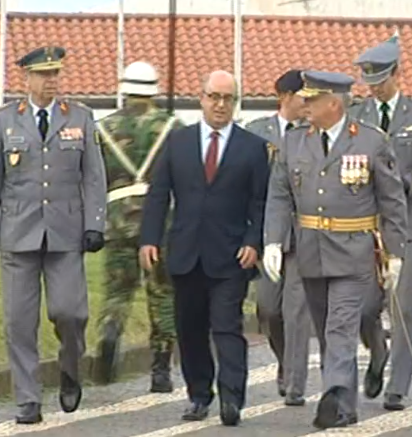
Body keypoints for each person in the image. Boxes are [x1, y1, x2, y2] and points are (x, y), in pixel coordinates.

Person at [263, 70, 409, 429]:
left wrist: (395, 252)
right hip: (309, 250)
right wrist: (272, 241)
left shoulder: (371, 142)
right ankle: (344, 400)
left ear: (334, 103)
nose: (304, 105)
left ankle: (334, 398)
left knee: (340, 328)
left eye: (311, 100)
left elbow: (392, 201)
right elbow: (280, 195)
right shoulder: (294, 142)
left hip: (354, 251)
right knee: (325, 324)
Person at [0, 46, 107, 424]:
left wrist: (96, 222)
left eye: (56, 74)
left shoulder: (80, 117)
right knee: (18, 321)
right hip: (18, 232)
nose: (51, 81)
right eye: (44, 75)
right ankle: (28, 399)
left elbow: (94, 176)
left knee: (70, 312)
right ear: (26, 78)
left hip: (65, 233)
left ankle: (70, 365)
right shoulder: (5, 121)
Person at [138, 70, 270, 427]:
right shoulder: (178, 142)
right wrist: (149, 238)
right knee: (190, 329)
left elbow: (261, 203)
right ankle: (199, 395)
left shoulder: (253, 148)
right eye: (214, 97)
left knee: (227, 326)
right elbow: (158, 193)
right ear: (202, 98)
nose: (220, 105)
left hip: (231, 256)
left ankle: (232, 397)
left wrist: (253, 242)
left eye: (228, 98)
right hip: (186, 252)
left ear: (235, 103)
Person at [351, 34, 412, 411]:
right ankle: (377, 353)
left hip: (407, 224)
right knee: (364, 307)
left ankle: (397, 387)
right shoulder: (358, 116)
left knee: (403, 309)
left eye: (380, 80)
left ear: (396, 74)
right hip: (368, 226)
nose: (374, 88)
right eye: (369, 81)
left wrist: (408, 183)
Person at [94, 61, 182, 391]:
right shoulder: (171, 126)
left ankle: (110, 332)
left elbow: (96, 178)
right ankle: (160, 369)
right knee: (161, 294)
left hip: (117, 219)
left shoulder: (104, 128)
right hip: (159, 221)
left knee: (117, 290)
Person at [245, 69, 312, 407]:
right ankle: (285, 358)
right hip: (268, 235)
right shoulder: (257, 132)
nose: (308, 103)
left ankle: (295, 377)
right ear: (285, 97)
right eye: (303, 97)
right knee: (269, 309)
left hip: (302, 236)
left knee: (296, 310)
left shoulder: (312, 133)